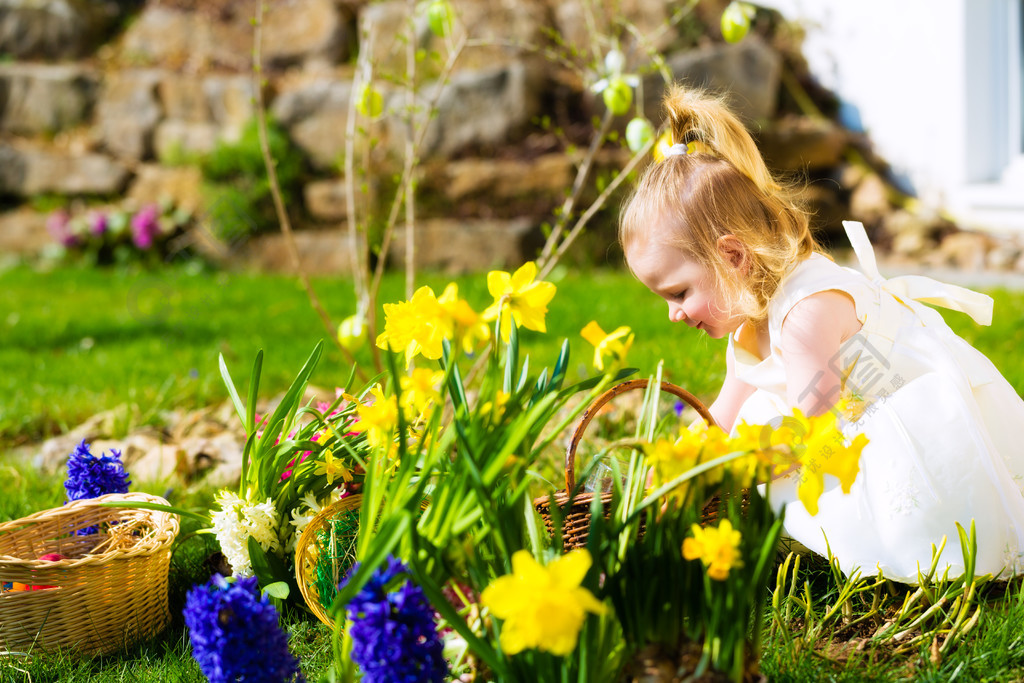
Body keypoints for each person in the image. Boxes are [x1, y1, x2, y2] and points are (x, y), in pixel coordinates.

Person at [619, 85, 1024, 583]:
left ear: (732, 257)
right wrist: (680, 466)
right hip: (839, 418)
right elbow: (719, 415)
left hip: (891, 416)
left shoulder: (805, 311)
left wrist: (730, 469)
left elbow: (813, 429)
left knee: (911, 518)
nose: (672, 314)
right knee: (754, 418)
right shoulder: (748, 312)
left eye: (679, 293)